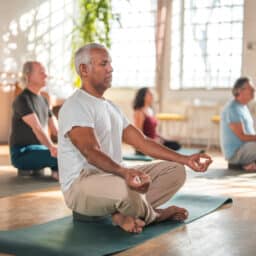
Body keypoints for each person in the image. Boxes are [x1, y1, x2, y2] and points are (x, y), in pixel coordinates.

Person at [58, 43, 212, 233]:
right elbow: (91, 152)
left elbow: (143, 142)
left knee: (176, 171)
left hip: (114, 177)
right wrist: (124, 173)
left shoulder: (111, 107)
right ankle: (154, 215)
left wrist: (186, 159)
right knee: (127, 188)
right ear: (84, 69)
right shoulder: (76, 105)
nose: (111, 68)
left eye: (110, 63)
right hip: (81, 185)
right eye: (104, 63)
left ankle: (124, 213)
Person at [9, 61, 59, 180]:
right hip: (22, 153)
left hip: (40, 149)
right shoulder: (22, 100)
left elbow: (56, 130)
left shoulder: (44, 100)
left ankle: (55, 169)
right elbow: (37, 128)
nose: (45, 75)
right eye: (41, 72)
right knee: (63, 156)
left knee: (71, 154)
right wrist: (52, 148)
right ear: (28, 76)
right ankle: (55, 168)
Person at [220, 77, 256, 171]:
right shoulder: (232, 109)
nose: (254, 90)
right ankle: (241, 165)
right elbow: (242, 136)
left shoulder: (243, 107)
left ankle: (250, 165)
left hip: (246, 148)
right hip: (236, 153)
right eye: (251, 89)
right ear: (240, 91)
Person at [133, 87, 181, 153]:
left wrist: (162, 138)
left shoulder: (150, 111)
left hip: (154, 141)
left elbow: (153, 131)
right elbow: (139, 133)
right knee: (172, 147)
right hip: (146, 144)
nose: (152, 95)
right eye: (149, 94)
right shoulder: (139, 112)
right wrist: (153, 141)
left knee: (176, 145)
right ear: (143, 96)